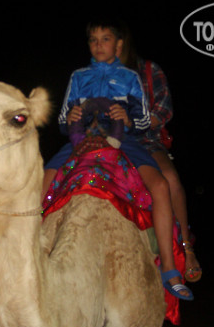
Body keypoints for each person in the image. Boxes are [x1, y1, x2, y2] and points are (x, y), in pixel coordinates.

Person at [42, 18, 193, 301]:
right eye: (93, 40)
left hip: (124, 140)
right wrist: (71, 118)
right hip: (82, 139)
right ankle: (29, 257)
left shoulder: (130, 77)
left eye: (106, 39)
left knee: (161, 186)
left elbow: (143, 119)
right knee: (43, 180)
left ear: (118, 44)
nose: (99, 45)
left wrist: (129, 120)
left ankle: (169, 268)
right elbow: (63, 120)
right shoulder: (78, 76)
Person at [119, 25, 202, 283]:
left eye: (112, 39)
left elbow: (164, 109)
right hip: (110, 143)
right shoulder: (95, 76)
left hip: (147, 141)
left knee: (171, 180)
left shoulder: (148, 70)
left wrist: (136, 122)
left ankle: (186, 248)